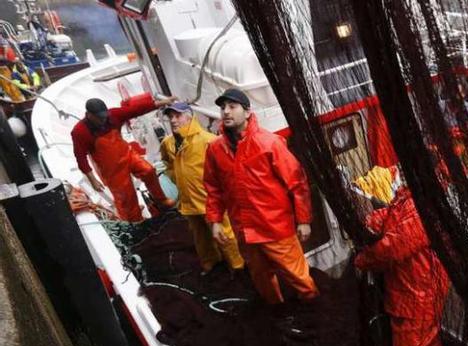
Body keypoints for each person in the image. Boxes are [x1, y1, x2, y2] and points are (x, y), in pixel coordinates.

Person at [354, 184, 453, 346]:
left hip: (419, 290)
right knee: (426, 345)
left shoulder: (424, 203)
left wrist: (363, 260)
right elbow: (391, 216)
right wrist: (372, 220)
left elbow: (394, 247)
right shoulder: (410, 194)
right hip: (410, 286)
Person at [203, 88, 318, 304]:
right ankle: (279, 314)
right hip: (245, 232)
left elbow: (297, 182)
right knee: (262, 280)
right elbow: (213, 188)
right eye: (222, 107)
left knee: (299, 278)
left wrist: (303, 220)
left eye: (232, 106)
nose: (226, 112)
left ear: (247, 112)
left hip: (276, 228)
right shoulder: (215, 149)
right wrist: (215, 220)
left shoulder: (270, 143)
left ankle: (315, 310)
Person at [159, 101, 244, 275]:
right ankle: (210, 264)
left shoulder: (209, 141)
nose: (173, 121)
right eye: (170, 117)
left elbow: (226, 170)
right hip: (188, 201)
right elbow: (167, 162)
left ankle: (238, 266)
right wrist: (176, 177)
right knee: (200, 237)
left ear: (189, 117)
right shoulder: (168, 143)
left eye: (178, 116)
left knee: (224, 235)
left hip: (209, 199)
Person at [71, 94, 176, 222]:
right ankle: (136, 220)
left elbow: (136, 109)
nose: (103, 120)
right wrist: (93, 180)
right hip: (110, 169)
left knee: (148, 171)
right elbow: (80, 158)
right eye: (99, 118)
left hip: (127, 155)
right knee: (126, 196)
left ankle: (161, 200)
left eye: (105, 117)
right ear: (89, 115)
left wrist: (164, 102)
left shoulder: (113, 115)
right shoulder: (79, 131)